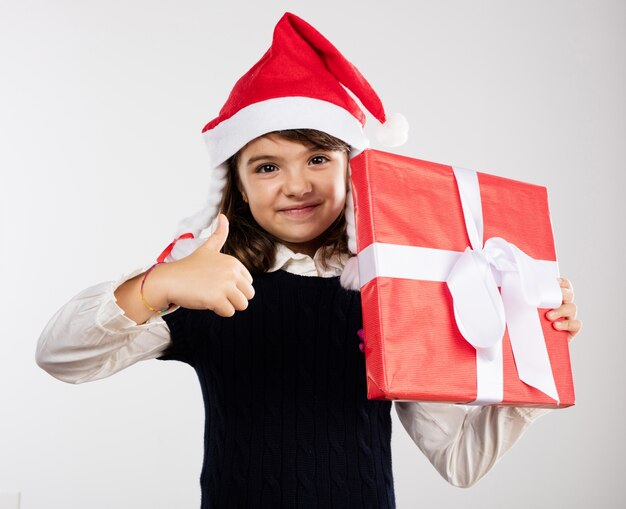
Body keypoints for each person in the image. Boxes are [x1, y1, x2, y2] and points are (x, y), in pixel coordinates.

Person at [36, 12, 582, 509]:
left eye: (318, 158)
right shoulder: (205, 284)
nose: (296, 185)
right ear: (239, 187)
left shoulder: (390, 293)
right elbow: (60, 358)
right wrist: (158, 286)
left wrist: (530, 341)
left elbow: (461, 462)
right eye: (267, 167)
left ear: (354, 167)